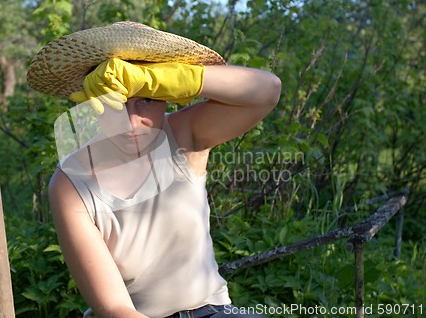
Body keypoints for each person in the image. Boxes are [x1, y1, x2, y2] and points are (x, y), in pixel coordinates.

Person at [27, 21, 281, 318]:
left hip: (212, 311)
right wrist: (145, 88)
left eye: (147, 99)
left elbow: (267, 90)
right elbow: (114, 308)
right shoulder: (70, 184)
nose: (132, 122)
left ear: (166, 92)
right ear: (93, 101)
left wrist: (168, 77)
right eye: (116, 102)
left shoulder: (183, 135)